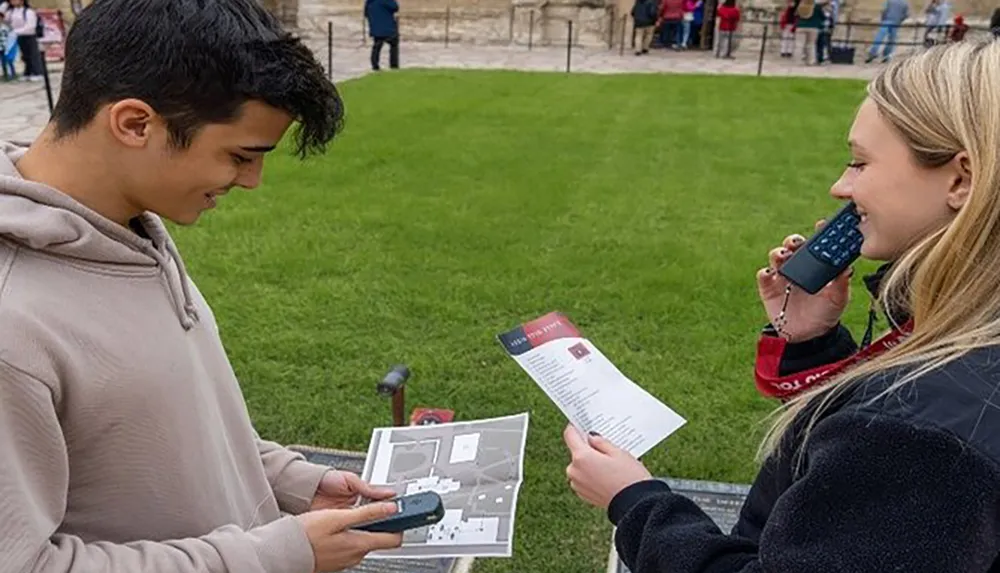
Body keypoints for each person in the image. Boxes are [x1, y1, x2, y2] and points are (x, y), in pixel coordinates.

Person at [563, 38, 1000, 572]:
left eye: (860, 163)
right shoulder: (964, 343)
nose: (841, 186)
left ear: (961, 178)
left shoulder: (922, 441)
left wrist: (634, 501)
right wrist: (816, 344)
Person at [0, 1, 406, 572]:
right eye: (240, 155)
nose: (252, 181)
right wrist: (276, 555)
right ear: (136, 123)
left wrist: (293, 483)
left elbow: (168, 427)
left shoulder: (124, 227)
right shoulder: (13, 320)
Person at [0, 0, 42, 81]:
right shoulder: (11, 12)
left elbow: (31, 26)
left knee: (32, 55)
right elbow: (4, 19)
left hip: (29, 36)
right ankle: (28, 72)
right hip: (18, 37)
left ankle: (37, 72)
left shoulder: (28, 11)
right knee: (25, 56)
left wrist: (16, 31)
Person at [365, 0, 399, 71]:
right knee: (394, 45)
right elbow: (395, 7)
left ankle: (375, 66)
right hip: (389, 28)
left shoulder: (369, 2)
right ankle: (394, 66)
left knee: (376, 47)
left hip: (376, 29)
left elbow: (366, 14)